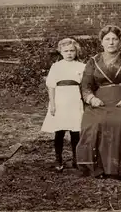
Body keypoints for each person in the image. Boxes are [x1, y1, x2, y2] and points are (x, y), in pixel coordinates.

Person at [76, 25, 121, 179]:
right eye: (107, 39)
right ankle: (98, 168)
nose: (111, 42)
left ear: (119, 41)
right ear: (101, 42)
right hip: (100, 101)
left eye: (114, 39)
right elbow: (86, 84)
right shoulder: (93, 61)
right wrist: (91, 98)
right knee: (95, 124)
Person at [41, 38, 86, 172]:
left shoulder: (81, 66)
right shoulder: (57, 66)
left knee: (75, 132)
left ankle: (76, 159)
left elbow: (84, 86)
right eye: (66, 51)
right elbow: (51, 86)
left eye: (72, 51)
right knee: (59, 131)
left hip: (75, 100)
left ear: (76, 51)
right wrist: (53, 104)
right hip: (60, 100)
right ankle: (58, 159)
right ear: (60, 52)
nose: (69, 53)